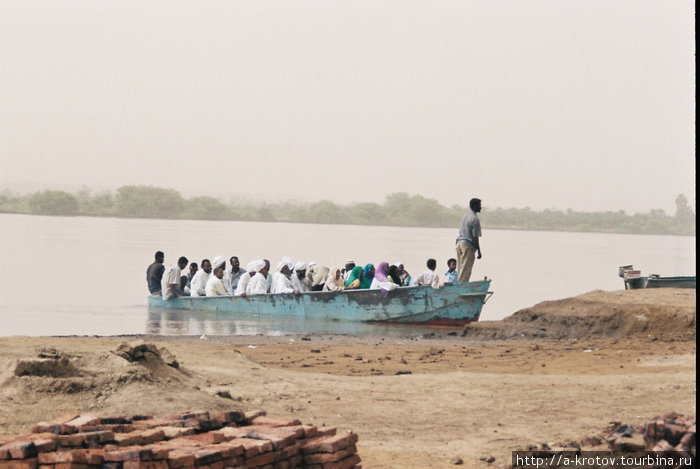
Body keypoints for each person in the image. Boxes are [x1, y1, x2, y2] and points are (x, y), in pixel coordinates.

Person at [456, 197, 483, 282]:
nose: (480, 207)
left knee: (460, 268)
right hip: (467, 245)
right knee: (466, 270)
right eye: (479, 205)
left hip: (459, 243)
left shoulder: (465, 216)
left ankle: (457, 287)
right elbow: (475, 237)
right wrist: (478, 251)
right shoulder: (475, 218)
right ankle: (461, 289)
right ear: (475, 206)